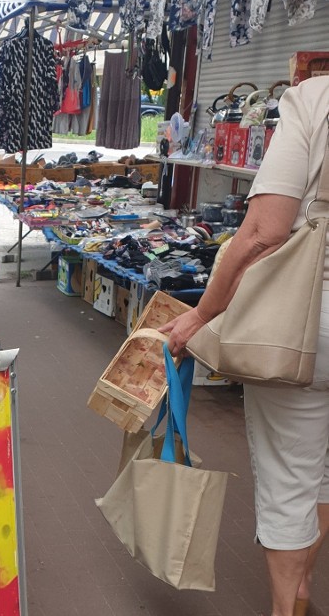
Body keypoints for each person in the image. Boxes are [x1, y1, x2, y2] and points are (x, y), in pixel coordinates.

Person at [160, 76, 329, 616]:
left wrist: (202, 316)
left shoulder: (314, 99)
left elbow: (263, 231)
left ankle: (292, 604)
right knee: (322, 474)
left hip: (309, 324)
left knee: (291, 475)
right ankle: (302, 588)